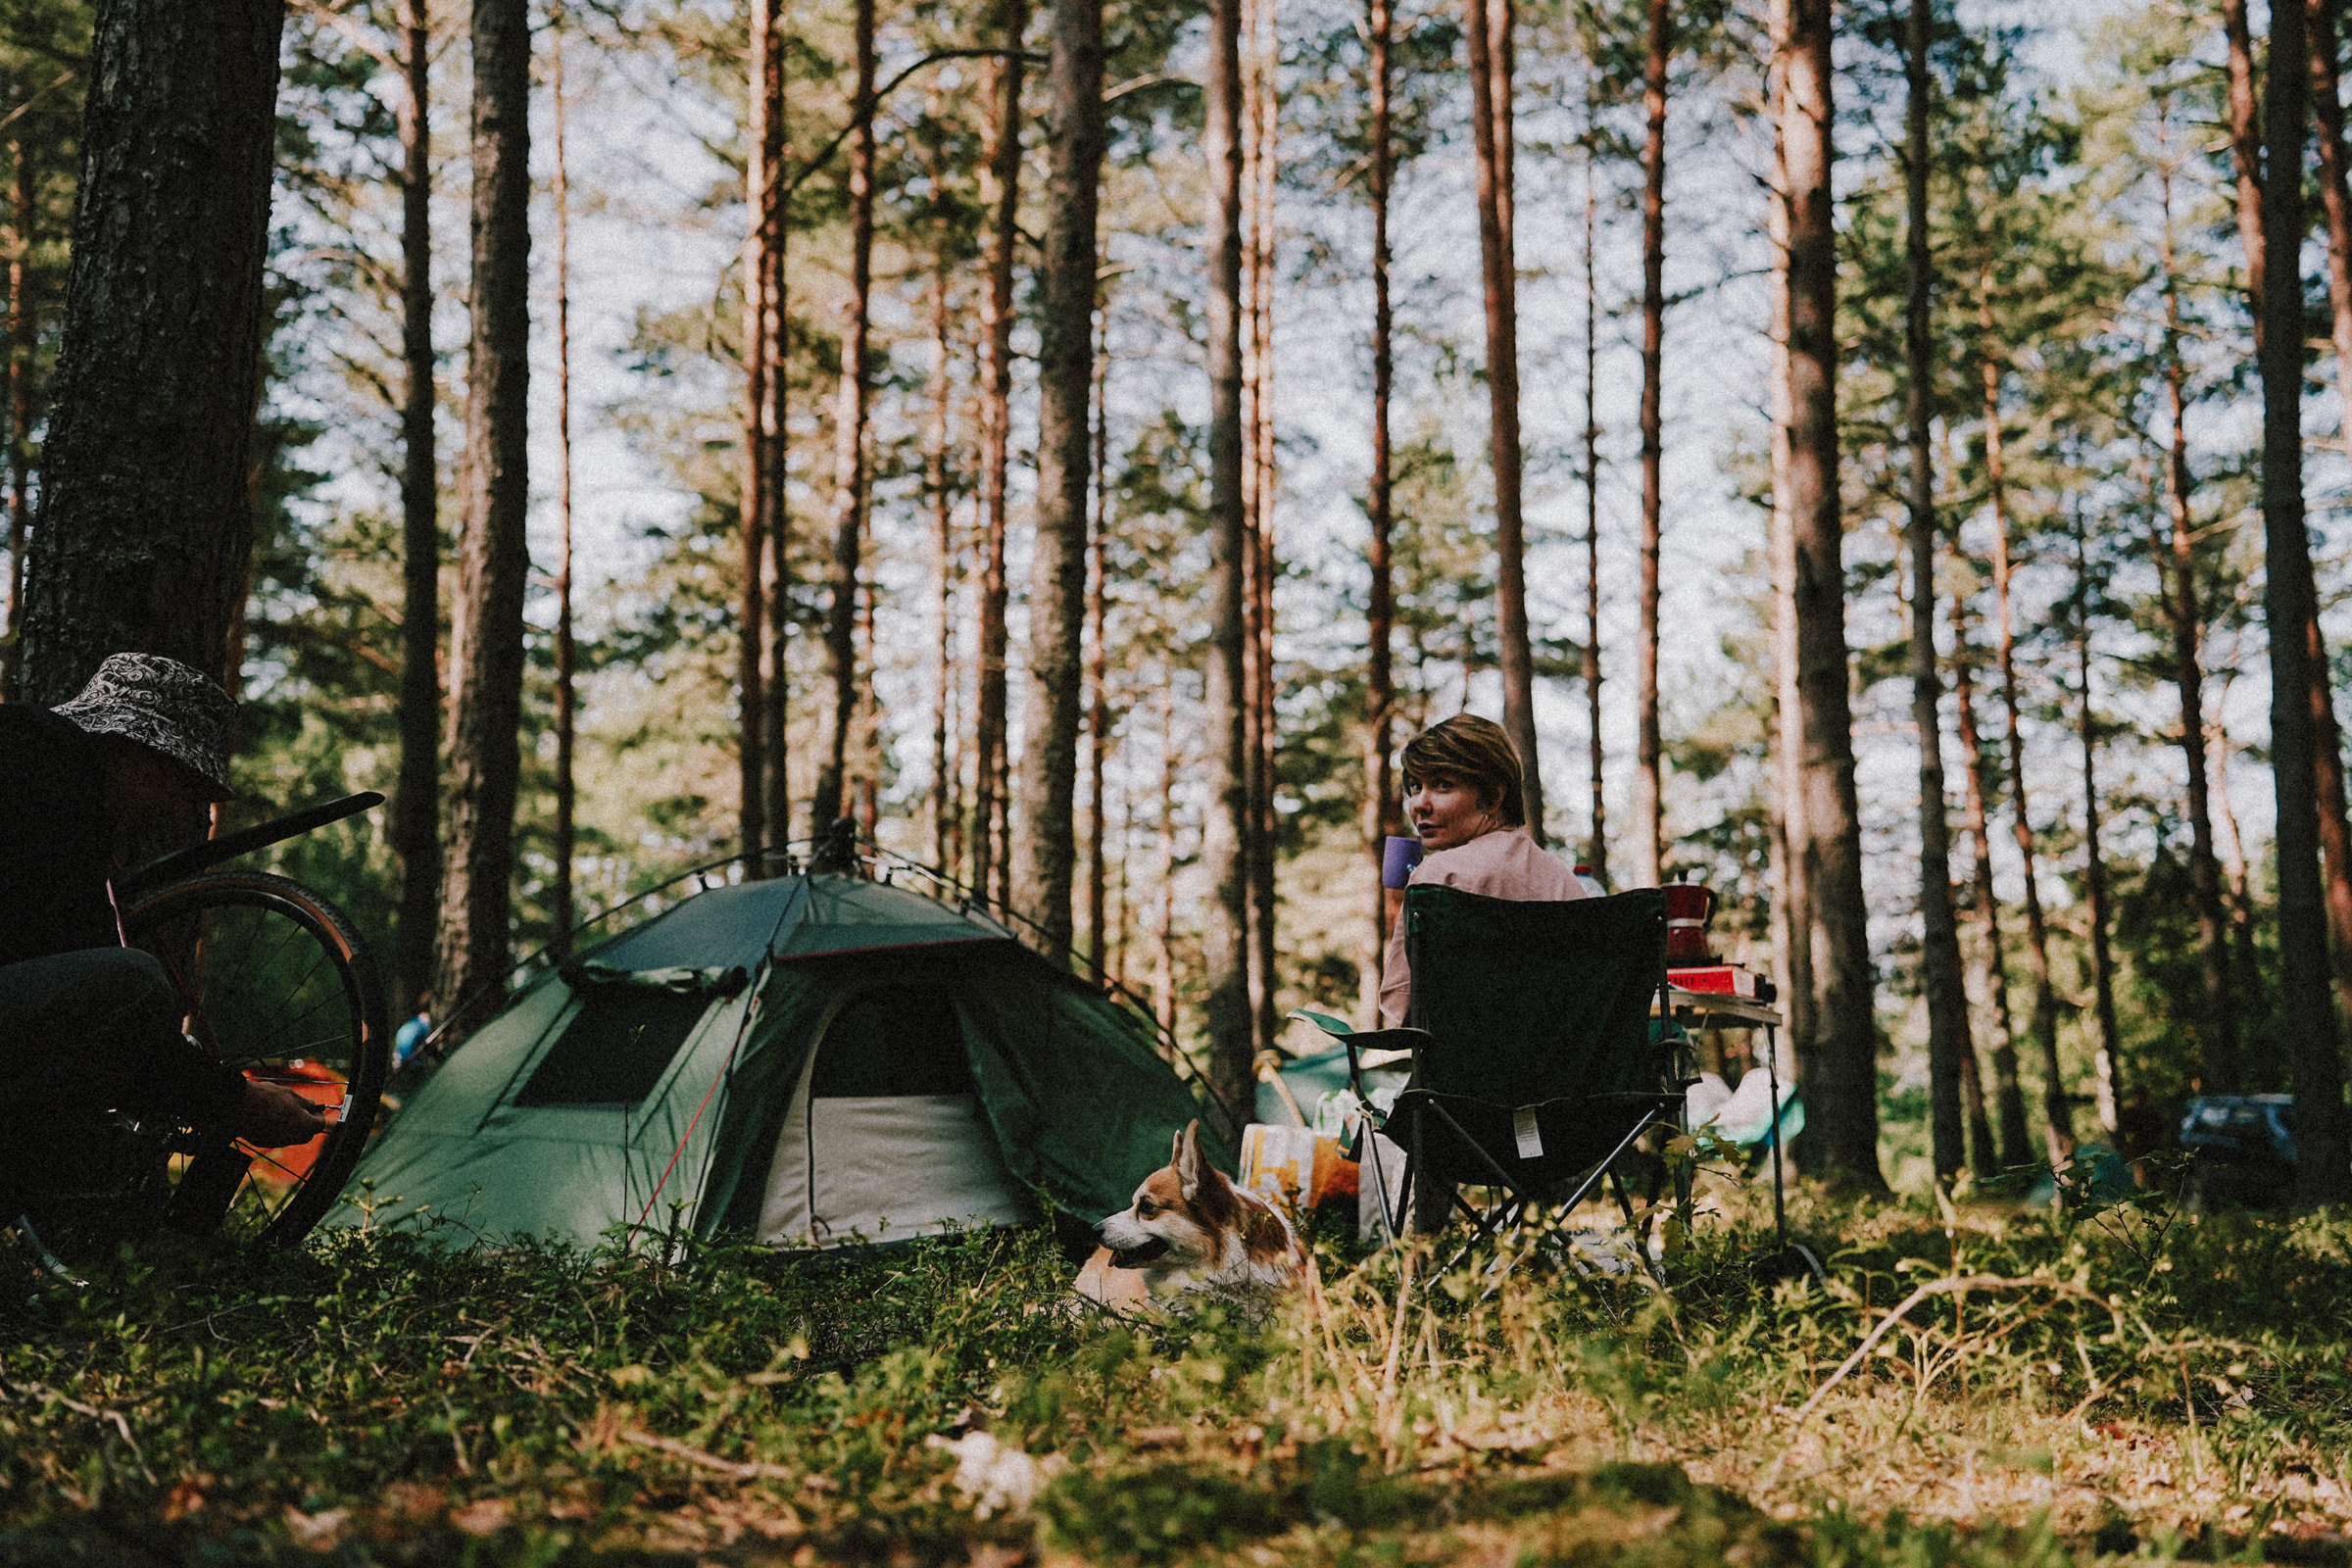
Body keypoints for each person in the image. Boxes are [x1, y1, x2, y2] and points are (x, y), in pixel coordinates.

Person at [0, 653, 323, 1219]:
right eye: (183, 785)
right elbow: (111, 1012)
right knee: (131, 983)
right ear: (139, 754)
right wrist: (236, 1100)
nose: (181, 810)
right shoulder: (41, 775)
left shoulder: (46, 780)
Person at [1377, 712, 1584, 1029]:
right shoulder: (1565, 883)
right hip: (1570, 1072)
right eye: (1415, 787)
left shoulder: (1435, 878)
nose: (1419, 803)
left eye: (1443, 785)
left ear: (1493, 796)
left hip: (1465, 1075)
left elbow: (1402, 1007)